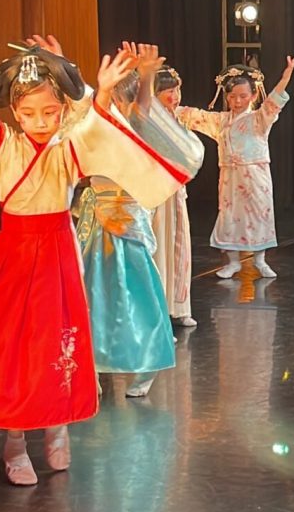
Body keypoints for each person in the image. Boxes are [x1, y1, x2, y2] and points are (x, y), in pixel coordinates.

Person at [0, 31, 181, 485]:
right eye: (28, 113)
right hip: (14, 256)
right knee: (13, 349)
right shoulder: (3, 143)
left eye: (49, 112)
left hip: (58, 257)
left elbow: (94, 130)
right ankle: (15, 440)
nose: (39, 121)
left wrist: (101, 92)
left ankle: (56, 424)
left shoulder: (67, 149)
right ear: (14, 112)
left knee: (53, 344)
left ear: (61, 110)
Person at [68, 43, 205, 400]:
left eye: (121, 97)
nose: (116, 103)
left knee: (136, 293)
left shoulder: (138, 127)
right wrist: (59, 63)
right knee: (92, 295)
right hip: (94, 221)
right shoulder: (96, 120)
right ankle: (94, 363)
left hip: (127, 219)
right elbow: (82, 97)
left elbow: (142, 110)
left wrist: (145, 77)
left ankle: (146, 364)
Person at [178, 58, 294, 279]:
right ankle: (233, 262)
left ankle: (260, 260)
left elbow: (274, 100)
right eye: (233, 96)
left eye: (243, 96)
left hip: (255, 176)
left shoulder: (259, 119)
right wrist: (165, 106)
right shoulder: (221, 121)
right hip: (230, 177)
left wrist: (286, 76)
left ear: (253, 96)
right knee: (229, 216)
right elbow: (195, 115)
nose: (237, 101)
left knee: (259, 214)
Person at [148, 67, 198, 327]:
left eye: (177, 89)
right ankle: (158, 309)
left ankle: (179, 306)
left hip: (175, 191)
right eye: (168, 91)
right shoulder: (147, 120)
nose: (175, 96)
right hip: (156, 191)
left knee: (179, 247)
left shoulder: (179, 118)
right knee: (159, 246)